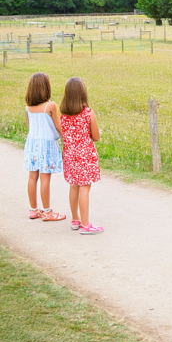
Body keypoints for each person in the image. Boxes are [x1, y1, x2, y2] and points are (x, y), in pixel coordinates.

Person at [60, 77, 103, 235]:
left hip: (70, 155)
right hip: (85, 155)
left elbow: (63, 134)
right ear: (83, 93)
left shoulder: (63, 116)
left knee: (74, 185)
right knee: (85, 187)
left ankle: (75, 219)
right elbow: (96, 136)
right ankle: (86, 224)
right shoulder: (88, 113)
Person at [23, 72, 65, 222]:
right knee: (45, 177)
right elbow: (59, 126)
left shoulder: (28, 107)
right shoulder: (50, 105)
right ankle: (48, 212)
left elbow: (30, 126)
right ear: (46, 87)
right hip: (46, 145)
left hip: (32, 143)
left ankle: (33, 210)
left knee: (32, 177)